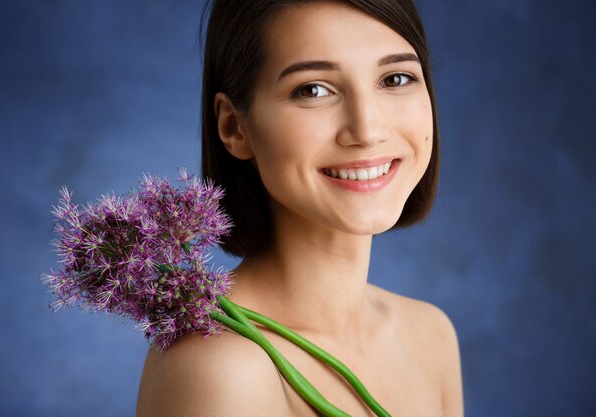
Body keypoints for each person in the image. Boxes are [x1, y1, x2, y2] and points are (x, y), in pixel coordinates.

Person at [136, 0, 464, 415]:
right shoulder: (219, 362)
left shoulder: (431, 334)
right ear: (234, 127)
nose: (367, 130)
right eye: (313, 90)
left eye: (396, 78)